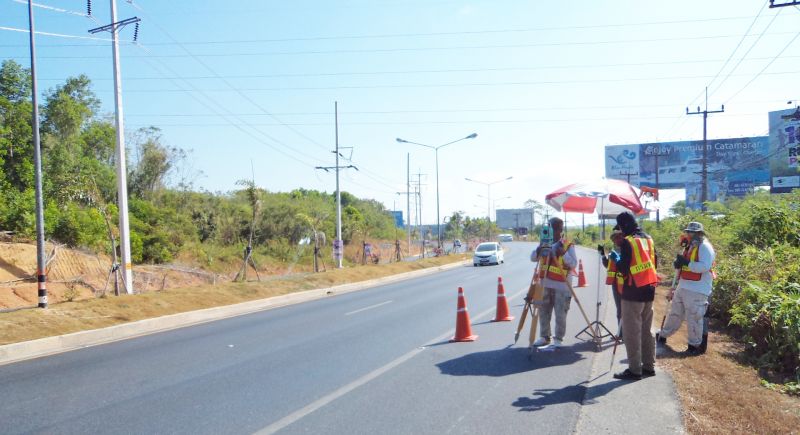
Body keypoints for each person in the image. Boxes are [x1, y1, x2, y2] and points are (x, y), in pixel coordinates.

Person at [656, 222, 716, 355]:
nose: (689, 235)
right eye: (688, 232)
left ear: (699, 233)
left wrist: (687, 263)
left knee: (694, 318)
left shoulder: (705, 247)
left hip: (698, 289)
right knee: (675, 313)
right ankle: (663, 335)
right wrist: (677, 263)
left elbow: (704, 266)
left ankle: (694, 346)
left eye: (692, 233)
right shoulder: (690, 246)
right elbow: (681, 265)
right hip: (683, 285)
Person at [613, 211, 658, 381]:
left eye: (620, 228)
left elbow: (624, 268)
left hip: (632, 293)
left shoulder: (628, 242)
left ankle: (634, 370)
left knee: (632, 333)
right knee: (647, 330)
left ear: (623, 226)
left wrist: (616, 260)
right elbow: (654, 263)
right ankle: (648, 366)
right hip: (649, 290)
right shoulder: (648, 238)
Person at [530, 217, 577, 348]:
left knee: (560, 314)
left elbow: (573, 264)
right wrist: (540, 248)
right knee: (544, 312)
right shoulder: (545, 242)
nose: (556, 231)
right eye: (553, 228)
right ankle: (544, 337)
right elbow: (533, 258)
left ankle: (558, 339)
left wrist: (563, 254)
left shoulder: (567, 244)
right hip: (545, 284)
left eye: (558, 229)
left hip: (562, 286)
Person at [598, 227, 625, 340]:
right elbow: (608, 265)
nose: (616, 240)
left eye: (618, 237)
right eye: (614, 238)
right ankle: (620, 333)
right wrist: (603, 255)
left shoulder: (628, 248)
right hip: (616, 284)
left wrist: (616, 258)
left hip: (627, 284)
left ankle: (626, 334)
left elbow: (624, 265)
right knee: (620, 310)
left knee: (627, 311)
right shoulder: (614, 250)